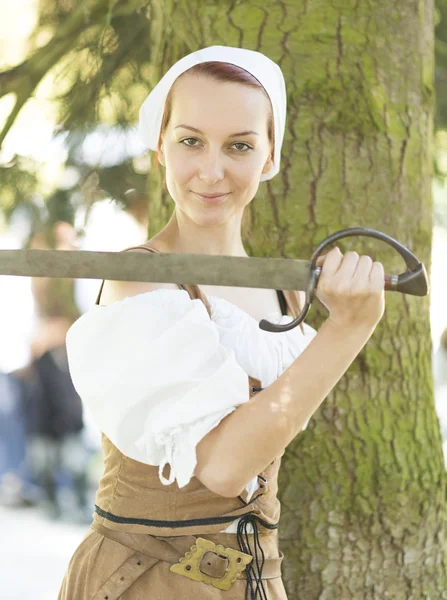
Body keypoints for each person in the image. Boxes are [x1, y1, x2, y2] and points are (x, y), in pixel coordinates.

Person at [58, 46, 385, 599]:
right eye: (190, 141)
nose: (211, 170)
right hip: (144, 583)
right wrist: (348, 329)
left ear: (270, 157)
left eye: (239, 146)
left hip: (255, 581)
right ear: (160, 147)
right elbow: (223, 467)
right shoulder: (141, 280)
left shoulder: (283, 293)